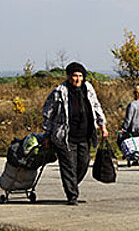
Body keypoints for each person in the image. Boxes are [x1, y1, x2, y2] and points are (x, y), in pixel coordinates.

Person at [42, 61, 108, 205]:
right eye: (74, 76)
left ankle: (71, 184)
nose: (77, 79)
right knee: (68, 165)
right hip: (65, 136)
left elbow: (96, 106)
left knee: (83, 163)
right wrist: (47, 134)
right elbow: (48, 113)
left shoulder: (88, 89)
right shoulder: (60, 91)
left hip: (85, 135)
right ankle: (72, 195)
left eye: (80, 76)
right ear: (68, 76)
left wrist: (102, 125)